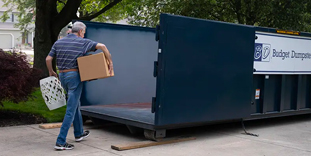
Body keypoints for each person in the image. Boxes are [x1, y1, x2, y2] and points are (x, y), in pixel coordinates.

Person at [45, 21, 113, 150]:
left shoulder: (58, 42)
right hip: (74, 77)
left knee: (75, 104)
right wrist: (110, 62)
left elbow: (48, 59)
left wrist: (51, 71)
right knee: (70, 109)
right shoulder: (82, 42)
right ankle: (60, 141)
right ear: (81, 31)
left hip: (63, 77)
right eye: (84, 33)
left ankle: (79, 133)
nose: (84, 35)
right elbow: (102, 46)